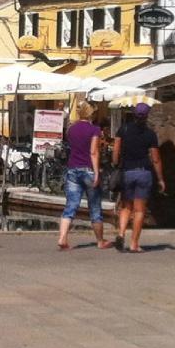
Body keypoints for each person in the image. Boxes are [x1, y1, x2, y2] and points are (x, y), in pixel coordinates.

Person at [55, 102, 110, 250]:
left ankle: (62, 237)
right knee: (95, 207)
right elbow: (93, 152)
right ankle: (100, 241)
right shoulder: (95, 130)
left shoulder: (71, 130)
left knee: (71, 205)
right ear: (91, 114)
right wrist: (97, 172)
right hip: (88, 169)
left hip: (72, 169)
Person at [113, 102, 165, 253]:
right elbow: (155, 159)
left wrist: (116, 164)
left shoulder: (124, 129)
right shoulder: (150, 134)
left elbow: (116, 151)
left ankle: (121, 233)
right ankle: (134, 244)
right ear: (147, 116)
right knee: (140, 210)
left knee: (126, 206)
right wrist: (161, 179)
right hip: (143, 172)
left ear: (134, 114)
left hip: (127, 171)